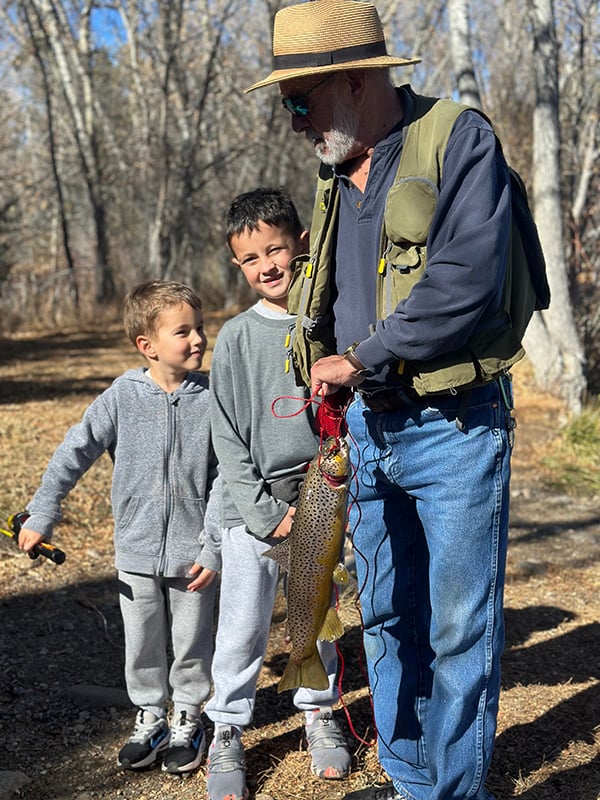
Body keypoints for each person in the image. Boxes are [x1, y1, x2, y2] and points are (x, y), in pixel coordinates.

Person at [245, 2, 519, 799]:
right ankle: (407, 776)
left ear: (356, 82)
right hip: (365, 430)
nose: (294, 121)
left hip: (454, 428)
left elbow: (465, 280)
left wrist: (360, 357)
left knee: (459, 628)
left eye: (300, 101)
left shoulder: (459, 139)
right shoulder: (335, 173)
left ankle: (451, 792)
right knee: (391, 619)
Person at [18, 280, 221, 776]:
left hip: (194, 553)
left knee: (193, 641)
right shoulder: (120, 398)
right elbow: (73, 452)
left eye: (200, 328)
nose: (197, 339)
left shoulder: (215, 398)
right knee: (143, 641)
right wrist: (43, 511)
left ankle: (189, 716)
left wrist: (214, 545)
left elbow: (228, 480)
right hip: (135, 548)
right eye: (183, 331)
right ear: (147, 346)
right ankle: (151, 712)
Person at [204, 187, 351, 800]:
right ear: (237, 266)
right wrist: (266, 515)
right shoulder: (236, 338)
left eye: (276, 249)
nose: (266, 265)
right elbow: (228, 438)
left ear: (301, 245)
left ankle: (320, 712)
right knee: (242, 625)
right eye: (250, 258)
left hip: (321, 497)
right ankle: (227, 730)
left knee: (320, 611)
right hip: (252, 507)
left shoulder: (331, 319)